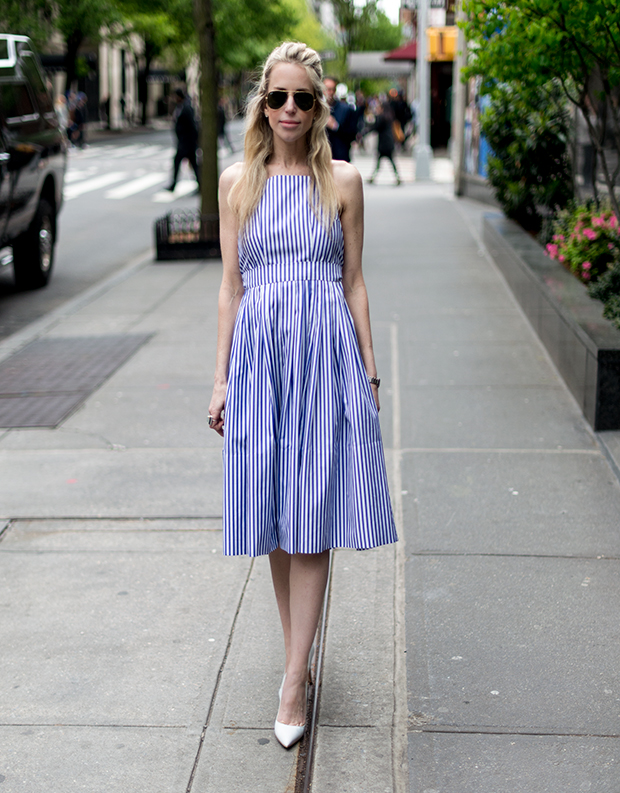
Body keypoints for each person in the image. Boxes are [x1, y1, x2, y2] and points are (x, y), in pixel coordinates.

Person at [208, 41, 397, 750]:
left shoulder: (343, 181)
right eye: (278, 97)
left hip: (323, 354)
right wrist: (220, 377)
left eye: (304, 99)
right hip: (259, 357)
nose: (290, 109)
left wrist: (369, 371)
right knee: (272, 514)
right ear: (263, 103)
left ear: (321, 108)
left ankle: (293, 677)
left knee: (310, 511)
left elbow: (353, 282)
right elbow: (230, 288)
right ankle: (300, 656)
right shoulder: (238, 182)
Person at [165, 88, 200, 191]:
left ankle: (173, 185)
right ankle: (200, 184)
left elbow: (192, 126)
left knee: (178, 162)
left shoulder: (186, 108)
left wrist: (193, 141)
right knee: (193, 165)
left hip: (186, 143)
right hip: (185, 142)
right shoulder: (182, 107)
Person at [364, 100, 402, 186]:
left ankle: (373, 177)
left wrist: (364, 132)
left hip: (383, 144)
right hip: (389, 142)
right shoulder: (389, 117)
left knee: (380, 161)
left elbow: (375, 127)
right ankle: (397, 177)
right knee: (389, 161)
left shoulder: (381, 117)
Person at [323, 76, 358, 162]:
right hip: (321, 157)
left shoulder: (345, 109)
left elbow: (352, 134)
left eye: (332, 89)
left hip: (340, 157)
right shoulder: (315, 109)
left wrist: (336, 126)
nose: (329, 92)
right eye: (327, 89)